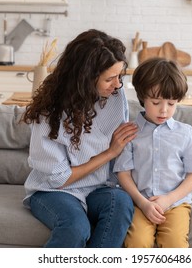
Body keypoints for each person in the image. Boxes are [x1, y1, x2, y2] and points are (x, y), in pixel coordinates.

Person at [21, 29, 138, 248]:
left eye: (119, 76)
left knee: (121, 202)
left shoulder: (114, 96)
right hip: (54, 191)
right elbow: (59, 179)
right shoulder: (49, 112)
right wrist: (110, 153)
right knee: (76, 227)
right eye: (110, 79)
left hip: (99, 189)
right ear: (85, 78)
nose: (118, 85)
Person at [113, 57, 192, 248]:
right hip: (140, 203)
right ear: (142, 97)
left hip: (175, 204)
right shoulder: (130, 132)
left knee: (174, 245)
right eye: (156, 102)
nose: (164, 110)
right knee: (137, 243)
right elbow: (123, 174)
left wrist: (169, 199)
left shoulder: (185, 133)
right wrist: (143, 203)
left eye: (171, 103)